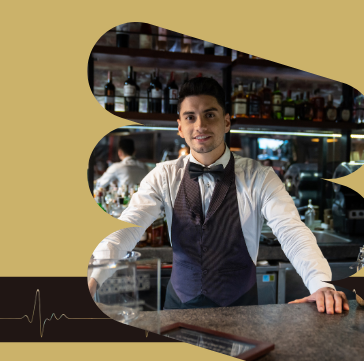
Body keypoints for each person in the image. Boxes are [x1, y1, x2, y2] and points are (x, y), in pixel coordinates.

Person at [89, 78, 348, 314]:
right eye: (190, 117)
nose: (200, 125)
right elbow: (128, 226)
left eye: (209, 115)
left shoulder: (260, 177)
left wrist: (321, 283)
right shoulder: (163, 176)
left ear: (226, 121)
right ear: (180, 127)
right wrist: (93, 276)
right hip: (178, 306)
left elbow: (291, 231)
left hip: (241, 310)